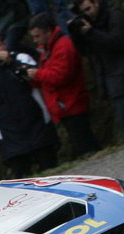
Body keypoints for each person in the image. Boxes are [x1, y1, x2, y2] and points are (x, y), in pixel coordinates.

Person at [0, 39, 60, 177]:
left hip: (35, 120)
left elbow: (34, 75)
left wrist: (10, 62)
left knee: (50, 167)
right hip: (9, 129)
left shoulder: (20, 57)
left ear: (4, 45)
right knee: (20, 174)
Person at [67, 0, 124, 139]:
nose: (87, 13)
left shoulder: (115, 16)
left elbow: (117, 42)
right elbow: (85, 51)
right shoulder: (92, 22)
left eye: (88, 8)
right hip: (110, 76)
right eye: (83, 11)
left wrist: (91, 32)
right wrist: (76, 34)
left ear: (96, 3)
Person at [25, 12, 98, 157]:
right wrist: (32, 79)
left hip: (71, 103)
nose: (35, 40)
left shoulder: (63, 46)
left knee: (85, 147)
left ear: (49, 31)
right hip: (63, 105)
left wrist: (37, 74)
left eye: (37, 36)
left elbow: (61, 76)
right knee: (82, 145)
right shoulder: (48, 48)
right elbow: (49, 77)